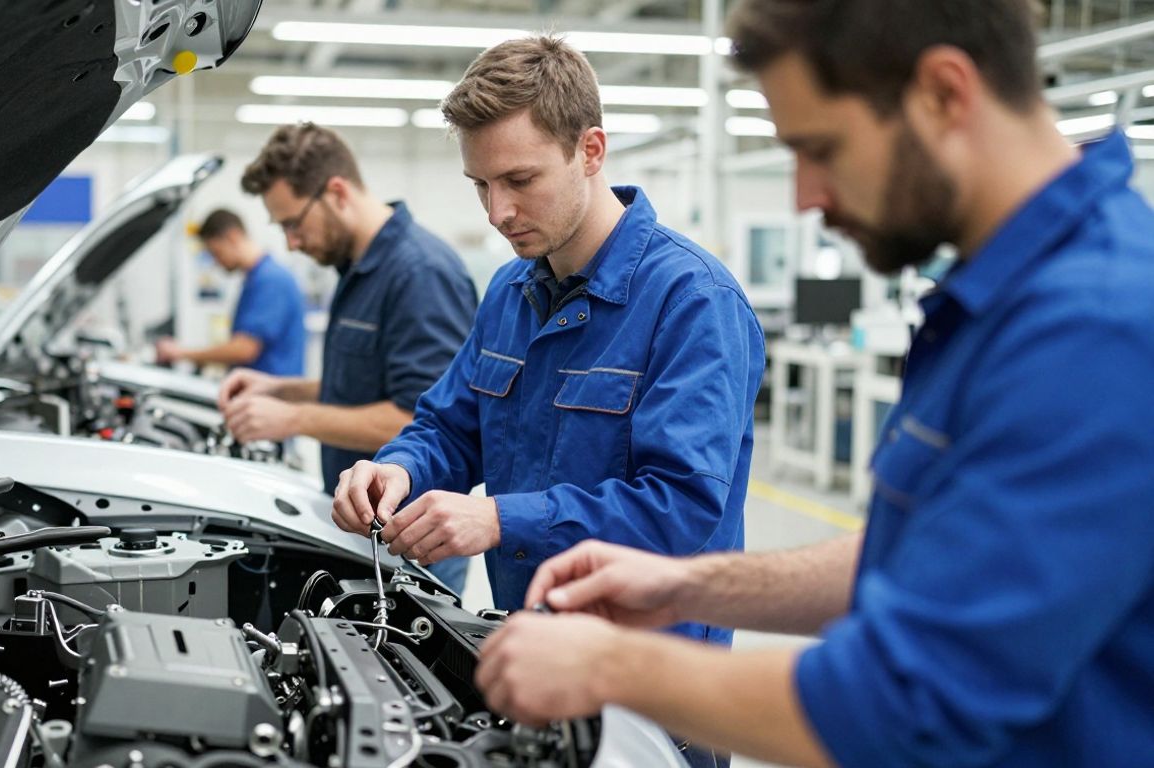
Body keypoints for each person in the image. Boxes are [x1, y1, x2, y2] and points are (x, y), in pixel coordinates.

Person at [472, 1, 1154, 766]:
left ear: (944, 93)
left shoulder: (1096, 327)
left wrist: (611, 664)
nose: (805, 196)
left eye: (821, 147)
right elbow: (913, 554)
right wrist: (687, 586)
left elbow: (909, 703)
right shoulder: (997, 299)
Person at [331, 36, 765, 651]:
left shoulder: (693, 301)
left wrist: (501, 518)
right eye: (480, 184)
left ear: (590, 150)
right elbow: (452, 428)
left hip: (655, 671)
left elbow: (682, 507)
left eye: (520, 179)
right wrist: (397, 470)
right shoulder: (511, 290)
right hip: (530, 640)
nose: (498, 212)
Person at [219, 123, 478, 592]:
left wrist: (291, 418)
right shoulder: (356, 270)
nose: (291, 243)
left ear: (336, 192)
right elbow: (359, 386)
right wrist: (277, 388)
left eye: (292, 223)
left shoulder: (420, 274)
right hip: (362, 534)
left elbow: (415, 417)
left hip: (408, 549)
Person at [155, 209, 306, 377]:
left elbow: (244, 349)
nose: (215, 262)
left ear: (233, 237)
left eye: (216, 253)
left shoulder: (270, 280)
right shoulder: (256, 279)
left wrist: (180, 353)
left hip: (272, 398)